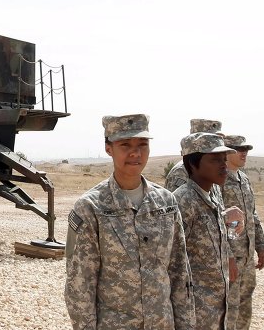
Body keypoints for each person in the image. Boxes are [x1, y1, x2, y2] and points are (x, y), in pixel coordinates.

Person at [65, 114, 195, 329]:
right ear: (109, 149)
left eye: (142, 144)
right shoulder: (90, 207)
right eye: (125, 145)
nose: (135, 152)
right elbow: (80, 285)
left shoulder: (166, 202)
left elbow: (180, 271)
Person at [173, 132, 243, 330]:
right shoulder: (183, 201)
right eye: (214, 160)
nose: (224, 165)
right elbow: (172, 260)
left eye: (224, 159)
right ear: (193, 164)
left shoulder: (214, 192)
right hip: (195, 310)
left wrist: (229, 256)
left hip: (217, 307)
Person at [221, 135, 264, 330]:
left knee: (245, 304)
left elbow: (253, 215)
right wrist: (227, 256)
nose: (244, 153)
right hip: (230, 257)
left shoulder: (244, 180)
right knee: (228, 307)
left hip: (247, 256)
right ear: (226, 152)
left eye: (246, 149)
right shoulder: (219, 180)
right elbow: (213, 223)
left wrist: (261, 246)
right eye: (239, 149)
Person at [165, 118, 223, 194]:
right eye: (211, 139)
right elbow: (177, 203)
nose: (217, 142)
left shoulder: (212, 171)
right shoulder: (181, 171)